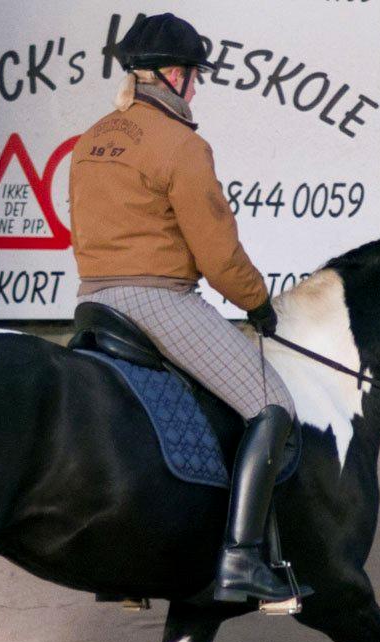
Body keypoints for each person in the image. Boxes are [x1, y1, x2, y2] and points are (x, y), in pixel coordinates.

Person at [69, 12, 300, 608]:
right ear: (172, 75)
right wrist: (258, 302)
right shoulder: (183, 145)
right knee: (273, 406)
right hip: (157, 302)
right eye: (194, 76)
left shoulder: (89, 141)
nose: (195, 88)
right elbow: (219, 255)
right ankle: (243, 560)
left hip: (94, 305)